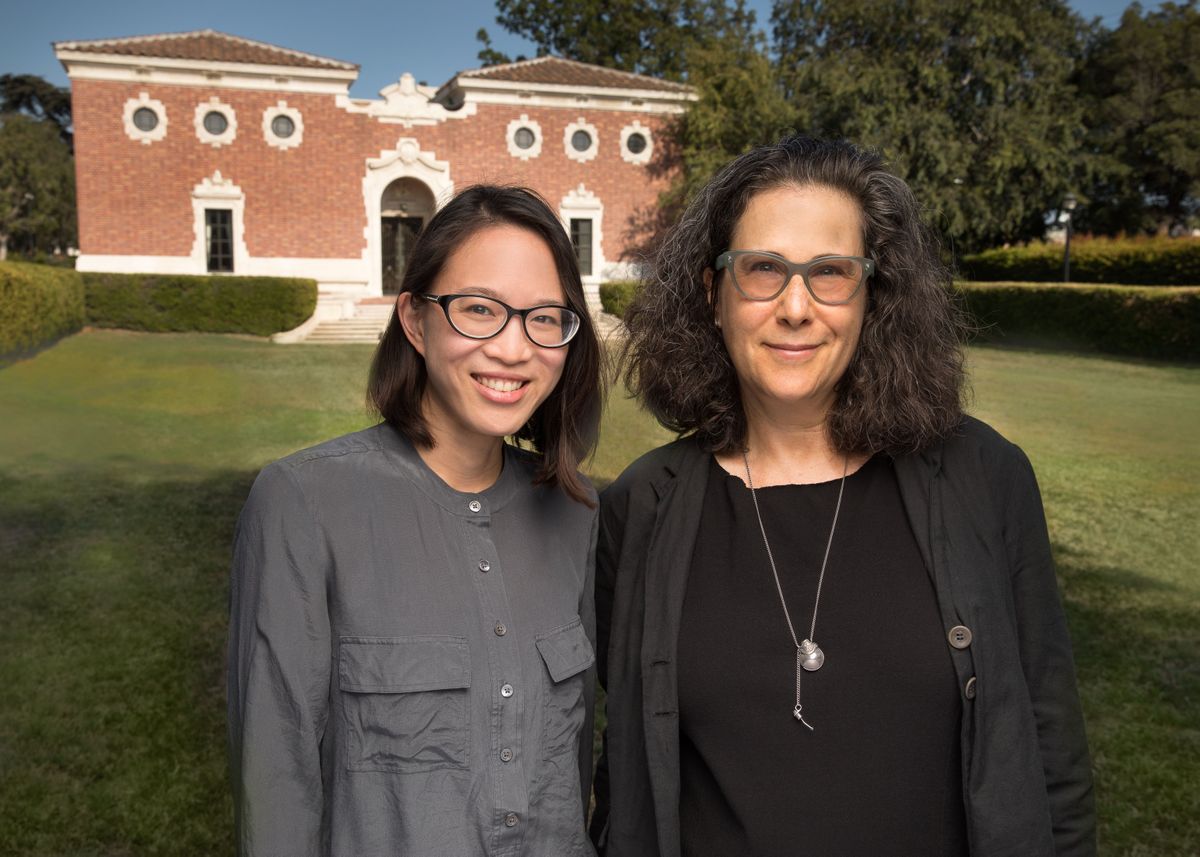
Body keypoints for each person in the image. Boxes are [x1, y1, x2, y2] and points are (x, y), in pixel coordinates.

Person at [590, 136, 1095, 857]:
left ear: (872, 294)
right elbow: (627, 768)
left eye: (830, 272)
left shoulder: (985, 476)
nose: (796, 307)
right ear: (713, 292)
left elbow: (1052, 757)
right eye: (763, 269)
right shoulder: (643, 505)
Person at [228, 185, 604, 856]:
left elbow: (571, 763)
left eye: (545, 318)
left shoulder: (577, 513)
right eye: (480, 309)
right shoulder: (303, 503)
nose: (515, 349)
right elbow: (276, 783)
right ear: (414, 319)